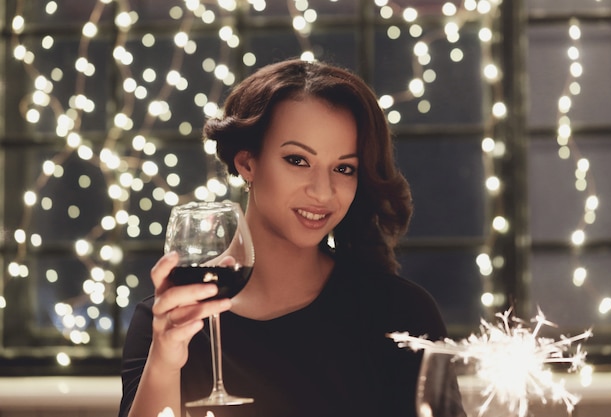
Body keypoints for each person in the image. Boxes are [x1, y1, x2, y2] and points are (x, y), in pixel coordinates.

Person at [119, 58, 449, 417]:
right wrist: (165, 362)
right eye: (297, 160)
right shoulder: (171, 321)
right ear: (247, 163)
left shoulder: (403, 314)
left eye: (344, 168)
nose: (323, 192)